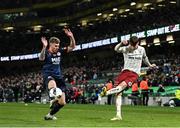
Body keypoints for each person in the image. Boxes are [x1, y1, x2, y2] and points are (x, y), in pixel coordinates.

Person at [100, 36, 156, 121]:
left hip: (134, 74)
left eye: (135, 45)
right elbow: (116, 49)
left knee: (120, 88)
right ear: (130, 43)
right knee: (118, 93)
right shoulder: (126, 49)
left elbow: (145, 58)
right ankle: (118, 115)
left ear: (138, 43)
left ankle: (106, 93)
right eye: (132, 45)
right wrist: (121, 43)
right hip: (124, 72)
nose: (134, 47)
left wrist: (150, 65)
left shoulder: (141, 49)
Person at [39, 28, 76, 120]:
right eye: (55, 46)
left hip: (59, 77)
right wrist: (44, 47)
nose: (57, 47)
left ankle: (50, 115)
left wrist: (71, 37)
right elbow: (41, 58)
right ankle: (52, 99)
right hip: (49, 75)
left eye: (58, 45)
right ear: (50, 45)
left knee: (62, 102)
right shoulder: (46, 53)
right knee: (53, 84)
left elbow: (72, 47)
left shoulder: (59, 52)